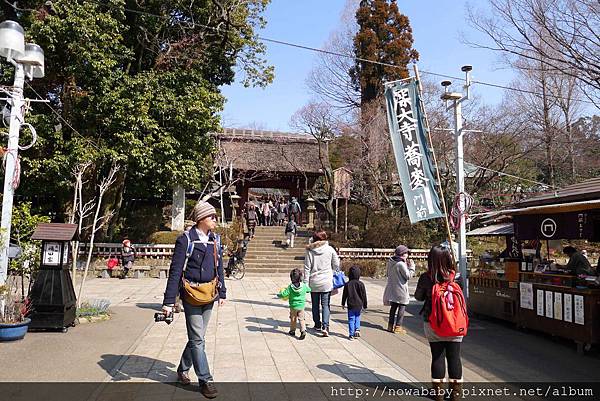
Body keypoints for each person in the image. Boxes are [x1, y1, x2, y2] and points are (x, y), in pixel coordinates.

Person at [161, 201, 226, 399]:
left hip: (209, 293)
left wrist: (222, 292)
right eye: (211, 216)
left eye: (215, 216)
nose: (215, 219)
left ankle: (182, 369)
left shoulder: (215, 239)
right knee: (198, 339)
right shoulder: (186, 240)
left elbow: (219, 266)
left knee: (197, 338)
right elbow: (175, 272)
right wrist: (169, 301)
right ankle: (205, 380)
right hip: (191, 294)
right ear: (201, 218)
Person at [414, 246, 464, 401]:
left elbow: (418, 297)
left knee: (437, 356)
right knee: (454, 357)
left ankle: (438, 394)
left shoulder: (425, 278)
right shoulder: (456, 277)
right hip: (455, 323)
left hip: (433, 322)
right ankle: (455, 394)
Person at [303, 230, 340, 337]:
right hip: (326, 281)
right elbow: (336, 264)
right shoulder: (330, 249)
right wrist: (332, 271)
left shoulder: (310, 251)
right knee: (325, 305)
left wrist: (305, 282)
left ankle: (317, 324)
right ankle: (325, 326)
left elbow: (306, 268)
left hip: (314, 281)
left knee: (315, 305)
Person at [383, 245, 415, 334]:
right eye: (406, 253)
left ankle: (390, 325)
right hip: (401, 289)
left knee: (393, 308)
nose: (407, 255)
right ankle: (398, 327)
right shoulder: (400, 264)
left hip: (393, 288)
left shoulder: (391, 261)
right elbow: (408, 276)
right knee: (402, 307)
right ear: (402, 254)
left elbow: (388, 274)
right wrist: (412, 267)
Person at [277, 268, 311, 340]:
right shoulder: (303, 286)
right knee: (302, 319)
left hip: (293, 306)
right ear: (300, 277)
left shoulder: (290, 287)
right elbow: (309, 290)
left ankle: (292, 331)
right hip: (301, 306)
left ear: (291, 278)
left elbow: (284, 294)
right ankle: (303, 330)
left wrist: (279, 295)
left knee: (293, 319)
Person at [341, 265, 368, 340]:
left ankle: (351, 334)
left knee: (351, 319)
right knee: (357, 317)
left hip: (351, 304)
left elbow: (344, 295)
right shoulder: (361, 284)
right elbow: (364, 295)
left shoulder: (347, 284)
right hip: (359, 304)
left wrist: (343, 303)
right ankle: (357, 329)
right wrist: (365, 305)